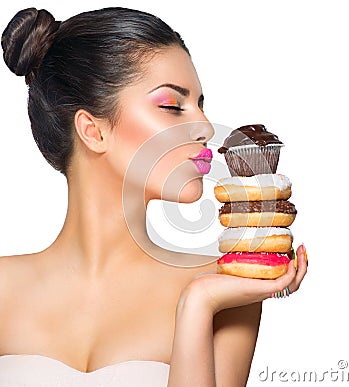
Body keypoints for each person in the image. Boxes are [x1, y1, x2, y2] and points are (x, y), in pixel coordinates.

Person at [0, 6, 307, 387]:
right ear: (93, 132)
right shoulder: (3, 289)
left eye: (200, 104)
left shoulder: (227, 288)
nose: (206, 128)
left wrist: (198, 304)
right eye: (172, 106)